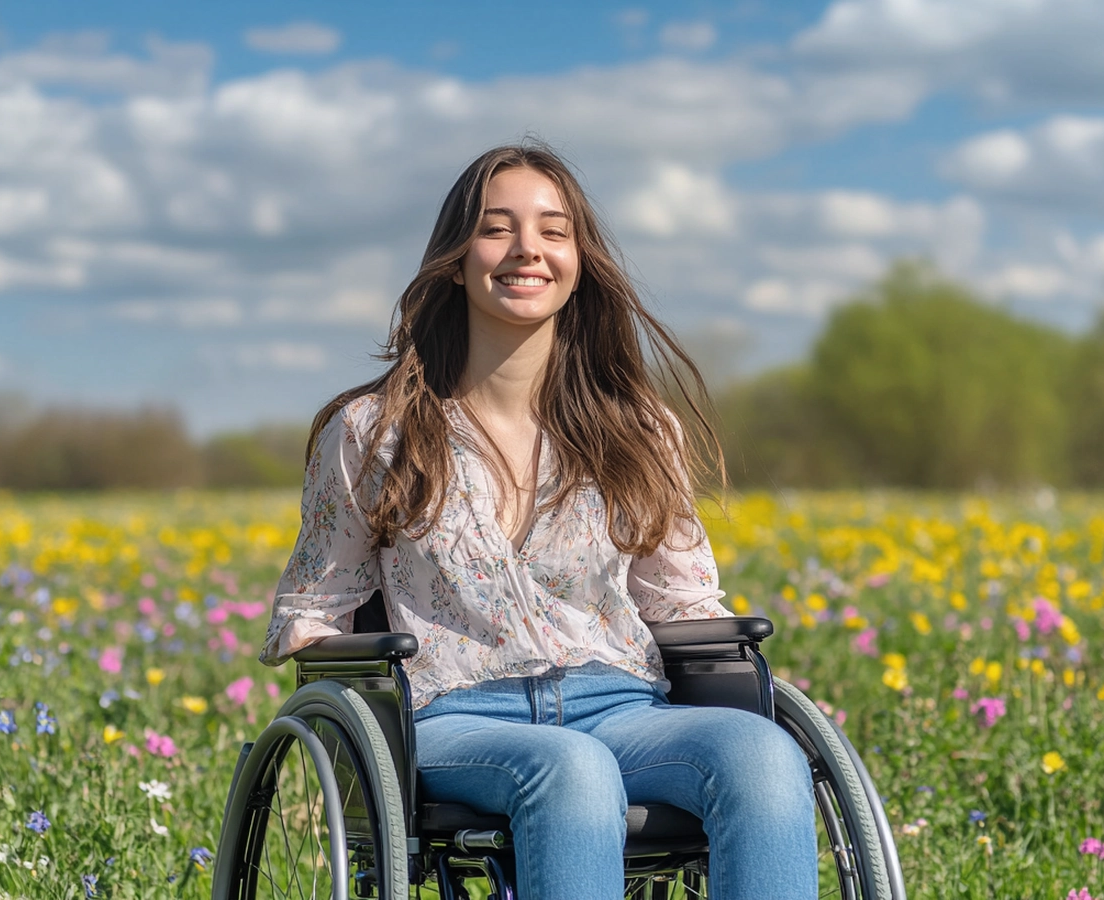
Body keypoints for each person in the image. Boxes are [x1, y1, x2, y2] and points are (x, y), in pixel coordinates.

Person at [259, 142, 816, 900]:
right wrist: (350, 684)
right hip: (454, 715)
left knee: (761, 754)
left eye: (554, 231)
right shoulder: (373, 432)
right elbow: (314, 609)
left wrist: (715, 649)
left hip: (621, 703)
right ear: (456, 259)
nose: (529, 249)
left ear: (579, 259)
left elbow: (681, 600)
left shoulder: (639, 429)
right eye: (498, 228)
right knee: (570, 769)